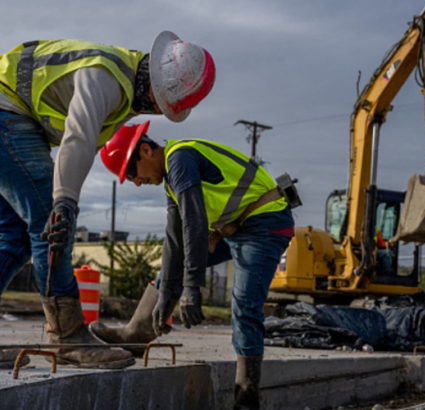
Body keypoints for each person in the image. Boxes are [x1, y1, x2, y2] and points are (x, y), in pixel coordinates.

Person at [0, 31, 216, 369]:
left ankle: (65, 333)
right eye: (160, 103)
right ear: (154, 83)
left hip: (10, 114)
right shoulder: (106, 76)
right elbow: (79, 136)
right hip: (6, 112)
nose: (157, 110)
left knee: (15, 237)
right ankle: (66, 336)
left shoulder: (126, 81)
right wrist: (65, 202)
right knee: (50, 223)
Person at [94, 121, 295, 409]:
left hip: (266, 222)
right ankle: (137, 334)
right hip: (238, 225)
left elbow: (195, 222)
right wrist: (166, 294)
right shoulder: (170, 179)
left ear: (146, 150)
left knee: (245, 305)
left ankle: (247, 397)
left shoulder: (180, 159)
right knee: (174, 265)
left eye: (131, 172)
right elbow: (175, 242)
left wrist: (191, 288)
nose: (136, 182)